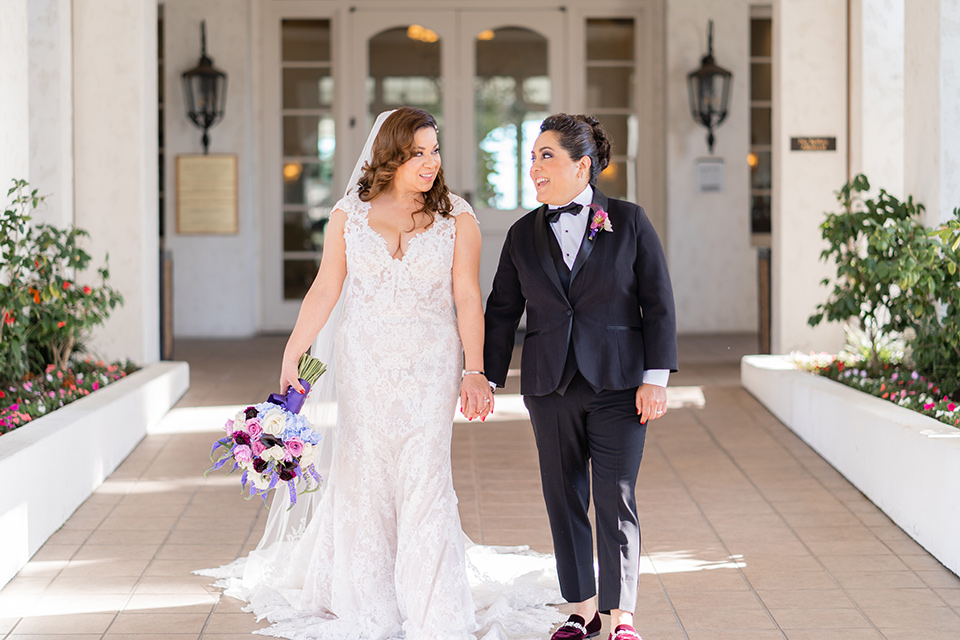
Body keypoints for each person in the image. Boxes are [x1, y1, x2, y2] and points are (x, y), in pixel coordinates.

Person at [198, 108, 563, 640]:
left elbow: (466, 295)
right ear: (390, 156)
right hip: (364, 363)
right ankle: (368, 600)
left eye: (435, 151)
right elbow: (326, 288)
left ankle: (434, 608)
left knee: (425, 478)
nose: (431, 162)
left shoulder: (456, 217)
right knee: (366, 477)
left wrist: (476, 369)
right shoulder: (349, 214)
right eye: (418, 152)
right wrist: (293, 351)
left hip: (430, 366)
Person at [484, 114, 678, 640]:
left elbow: (658, 303)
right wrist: (485, 376)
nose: (534, 168)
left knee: (616, 495)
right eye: (532, 157)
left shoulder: (629, 221)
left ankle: (621, 617)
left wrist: (655, 377)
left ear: (582, 165)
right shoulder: (523, 234)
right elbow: (502, 310)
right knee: (562, 494)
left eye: (546, 156)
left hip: (619, 383)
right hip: (549, 387)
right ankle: (583, 609)